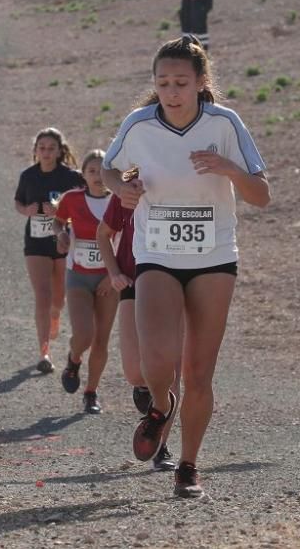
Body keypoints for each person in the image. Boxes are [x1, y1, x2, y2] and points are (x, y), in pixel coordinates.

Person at [102, 35, 270, 498]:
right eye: (162, 83)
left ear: (200, 82)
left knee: (199, 373)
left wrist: (227, 169)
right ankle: (160, 406)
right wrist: (122, 189)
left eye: (180, 82)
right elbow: (109, 171)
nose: (171, 92)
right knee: (157, 361)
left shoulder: (224, 123)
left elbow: (262, 194)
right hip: (155, 252)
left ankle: (189, 466)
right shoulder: (139, 124)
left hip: (214, 257)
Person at [96, 168, 179, 470]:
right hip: (133, 281)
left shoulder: (183, 189)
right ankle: (147, 390)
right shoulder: (129, 190)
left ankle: (161, 448)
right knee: (135, 372)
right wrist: (114, 272)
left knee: (172, 371)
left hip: (175, 283)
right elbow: (103, 234)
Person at [53, 150, 119, 414]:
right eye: (91, 171)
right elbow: (58, 222)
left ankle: (91, 393)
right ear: (83, 175)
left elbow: (125, 242)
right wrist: (60, 235)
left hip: (108, 279)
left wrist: (111, 276)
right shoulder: (72, 199)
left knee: (101, 339)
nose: (97, 176)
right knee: (84, 333)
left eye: (102, 171)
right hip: (79, 275)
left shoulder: (120, 201)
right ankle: (74, 359)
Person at [14, 127, 84, 374]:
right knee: (42, 296)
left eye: (51, 148)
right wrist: (27, 210)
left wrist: (62, 213)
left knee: (58, 299)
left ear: (59, 151)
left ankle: (56, 314)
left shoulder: (71, 177)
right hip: (36, 242)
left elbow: (86, 202)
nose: (46, 152)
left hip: (64, 241)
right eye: (41, 148)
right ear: (35, 151)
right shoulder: (28, 176)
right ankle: (44, 352)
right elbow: (18, 202)